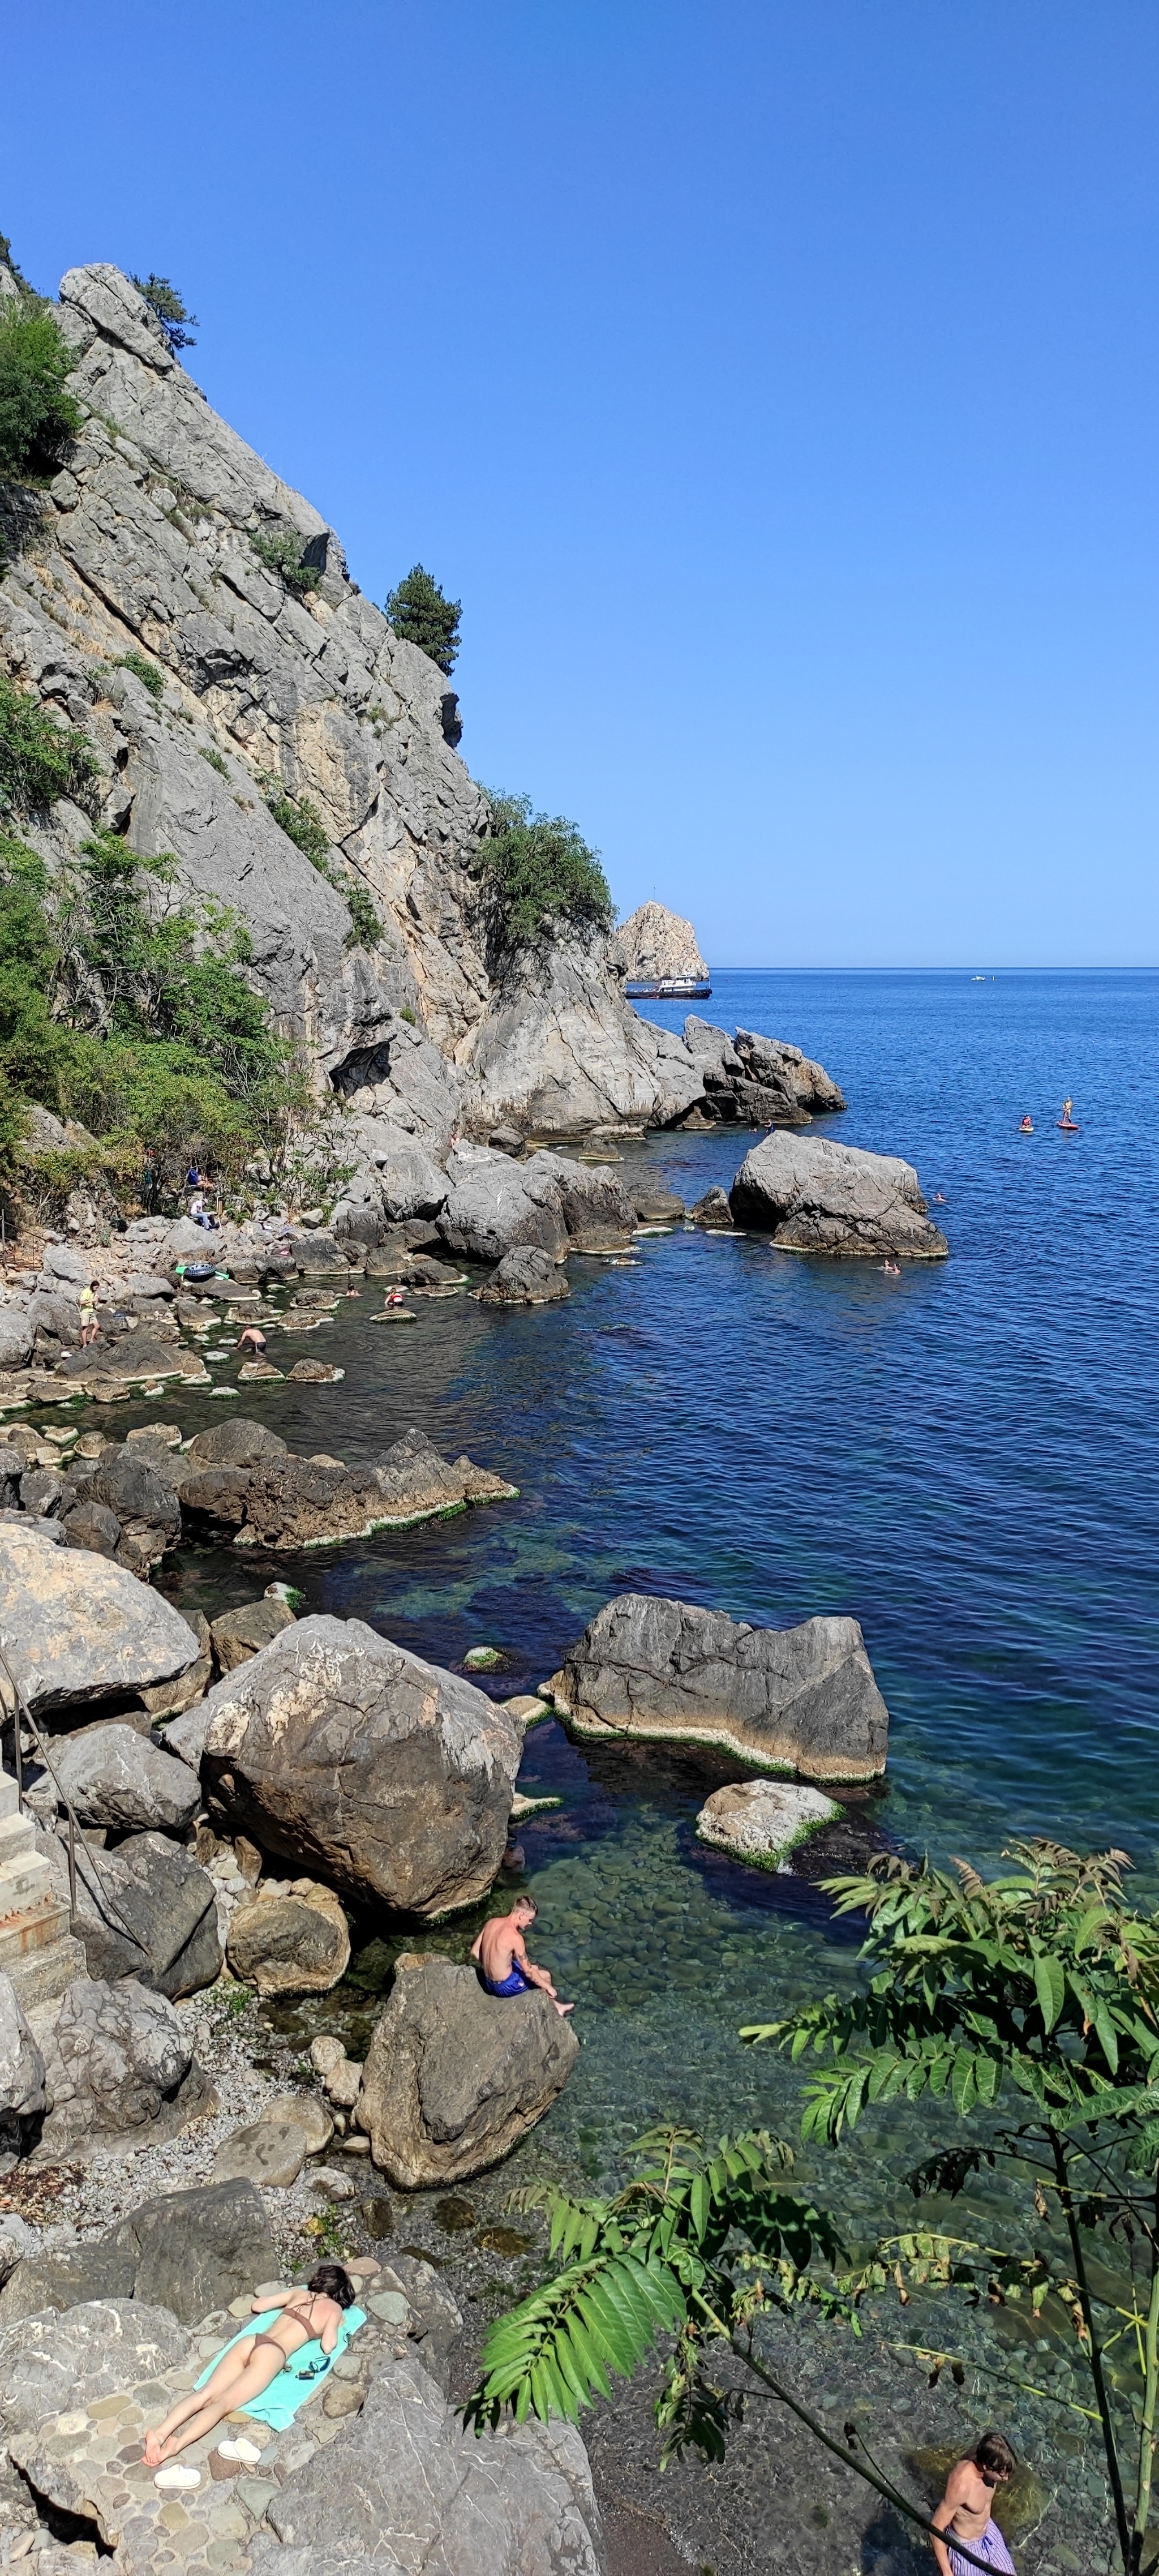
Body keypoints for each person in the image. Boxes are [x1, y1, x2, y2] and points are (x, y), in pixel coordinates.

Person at [142, 2264, 360, 2472]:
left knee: (205, 2394)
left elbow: (259, 2306)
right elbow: (329, 2345)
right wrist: (337, 2324)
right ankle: (177, 2445)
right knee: (224, 2404)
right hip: (273, 2354)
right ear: (340, 2295)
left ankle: (159, 2434)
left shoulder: (298, 2294)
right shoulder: (333, 2308)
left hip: (252, 2341)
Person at [930, 2429, 1017, 2576]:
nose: (1006, 2479)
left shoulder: (986, 2455)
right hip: (966, 2546)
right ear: (986, 2467)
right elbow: (936, 2528)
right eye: (1002, 2475)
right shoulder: (962, 2484)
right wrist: (947, 2572)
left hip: (988, 2532)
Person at [470, 1895, 574, 2017]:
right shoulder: (516, 1938)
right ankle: (556, 2009)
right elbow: (529, 1973)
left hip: (488, 1981)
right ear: (521, 1915)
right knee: (545, 1976)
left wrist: (493, 1965)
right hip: (502, 1988)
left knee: (535, 1968)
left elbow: (475, 1951)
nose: (530, 1924)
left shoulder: (491, 1923)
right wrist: (549, 1988)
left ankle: (556, 2005)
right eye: (530, 1920)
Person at [78, 1280, 100, 1349]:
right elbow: (81, 1302)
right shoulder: (86, 1292)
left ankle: (91, 1340)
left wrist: (97, 1299)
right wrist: (92, 1300)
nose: (97, 1289)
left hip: (91, 1311)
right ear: (92, 1286)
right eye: (96, 1288)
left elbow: (95, 1303)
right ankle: (84, 1345)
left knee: (97, 1326)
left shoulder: (93, 1292)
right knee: (85, 1328)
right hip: (85, 1312)